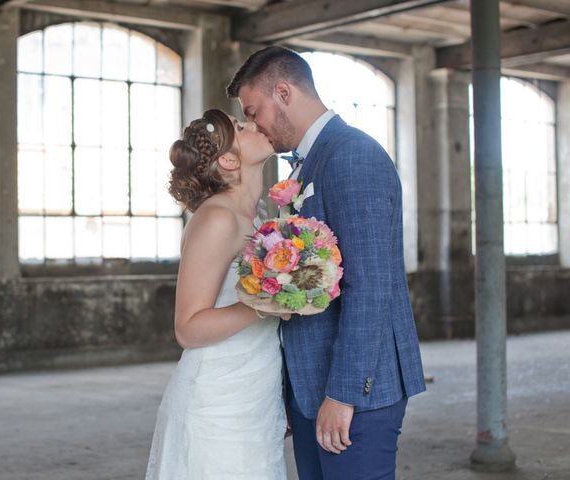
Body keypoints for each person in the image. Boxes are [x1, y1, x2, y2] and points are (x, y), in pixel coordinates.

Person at [227, 46, 426, 480]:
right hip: (310, 385)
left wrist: (343, 394)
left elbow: (370, 287)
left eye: (254, 110)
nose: (254, 124)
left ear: (283, 92)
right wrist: (290, 393)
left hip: (354, 393)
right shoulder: (302, 167)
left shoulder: (352, 155)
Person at [145, 109, 287, 479]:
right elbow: (188, 328)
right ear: (228, 159)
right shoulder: (218, 218)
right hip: (216, 403)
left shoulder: (255, 217)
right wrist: (266, 304)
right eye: (242, 127)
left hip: (254, 392)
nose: (255, 124)